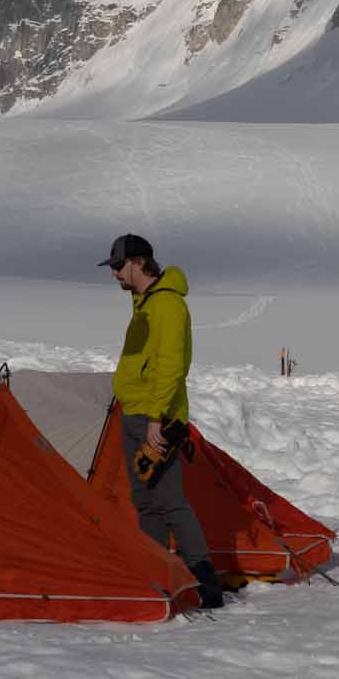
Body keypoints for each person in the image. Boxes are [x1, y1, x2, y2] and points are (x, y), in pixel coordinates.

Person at [102, 232, 223, 610]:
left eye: (118, 266)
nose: (114, 274)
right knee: (146, 501)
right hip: (136, 413)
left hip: (157, 418)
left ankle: (207, 585)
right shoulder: (145, 302)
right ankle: (159, 577)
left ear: (139, 263)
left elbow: (171, 366)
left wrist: (156, 418)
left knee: (170, 501)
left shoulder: (168, 305)